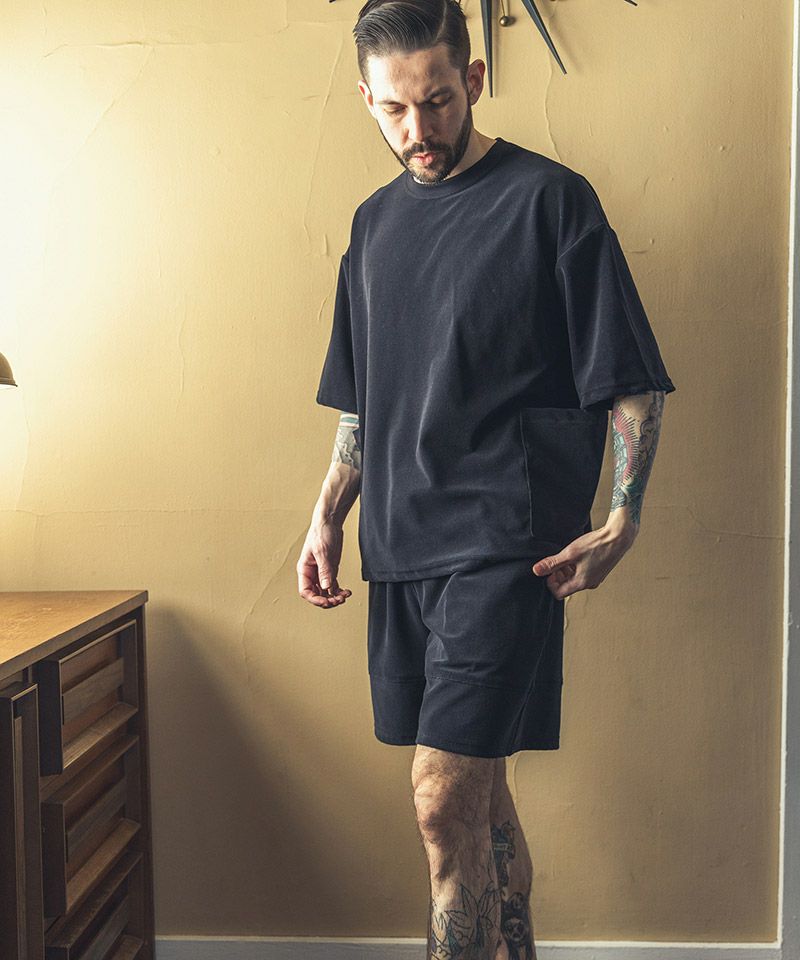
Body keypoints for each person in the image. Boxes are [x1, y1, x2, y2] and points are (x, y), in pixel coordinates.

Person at [296, 2, 676, 957]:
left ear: (471, 80)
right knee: (481, 802)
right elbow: (363, 403)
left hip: (507, 544)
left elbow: (628, 379)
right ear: (367, 101)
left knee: (438, 800)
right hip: (399, 546)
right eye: (394, 109)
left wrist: (623, 517)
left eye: (436, 100)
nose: (417, 129)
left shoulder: (551, 200)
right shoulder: (372, 226)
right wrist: (327, 514)